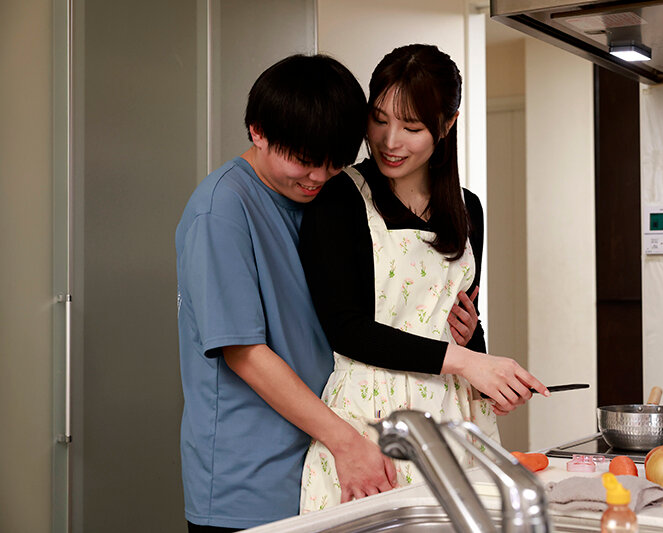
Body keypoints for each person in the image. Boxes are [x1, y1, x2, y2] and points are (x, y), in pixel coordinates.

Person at [297, 44, 549, 513]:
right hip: (371, 420)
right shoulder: (340, 198)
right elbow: (346, 328)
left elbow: (461, 321)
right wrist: (468, 363)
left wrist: (489, 378)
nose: (390, 141)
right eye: (379, 119)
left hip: (455, 418)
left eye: (412, 128)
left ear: (447, 125)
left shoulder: (468, 209)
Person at [175, 54, 395, 532]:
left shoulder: (326, 200)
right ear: (257, 132)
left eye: (333, 164)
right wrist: (347, 443)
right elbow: (245, 353)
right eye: (304, 161)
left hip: (319, 465)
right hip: (250, 480)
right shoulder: (222, 209)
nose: (317, 177)